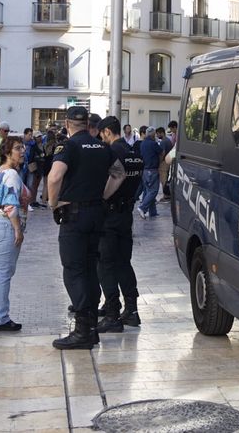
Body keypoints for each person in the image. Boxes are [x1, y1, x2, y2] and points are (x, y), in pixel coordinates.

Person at [46, 105, 124, 350]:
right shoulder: (102, 146)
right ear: (87, 123)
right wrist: (102, 195)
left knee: (74, 269)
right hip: (97, 214)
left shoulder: (68, 146)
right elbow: (120, 173)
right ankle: (90, 327)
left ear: (68, 124)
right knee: (91, 268)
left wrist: (53, 204)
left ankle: (82, 330)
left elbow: (54, 176)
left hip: (75, 216)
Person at [95, 116, 143, 333]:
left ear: (106, 132)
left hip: (111, 215)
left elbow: (116, 176)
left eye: (101, 134)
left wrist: (102, 197)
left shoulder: (113, 152)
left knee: (105, 263)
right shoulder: (133, 152)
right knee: (124, 262)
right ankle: (131, 310)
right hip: (127, 213)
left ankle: (113, 312)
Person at [0, 137, 28, 332]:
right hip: (5, 225)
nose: (22, 151)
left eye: (23, 148)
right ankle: (0, 317)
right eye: (18, 148)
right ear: (7, 153)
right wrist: (18, 228)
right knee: (3, 273)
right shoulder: (11, 174)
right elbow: (10, 205)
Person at [136, 126, 164, 220]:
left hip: (145, 170)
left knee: (149, 190)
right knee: (153, 191)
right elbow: (162, 152)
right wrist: (160, 161)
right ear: (153, 134)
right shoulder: (153, 143)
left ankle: (153, 212)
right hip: (152, 170)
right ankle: (142, 208)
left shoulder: (143, 143)